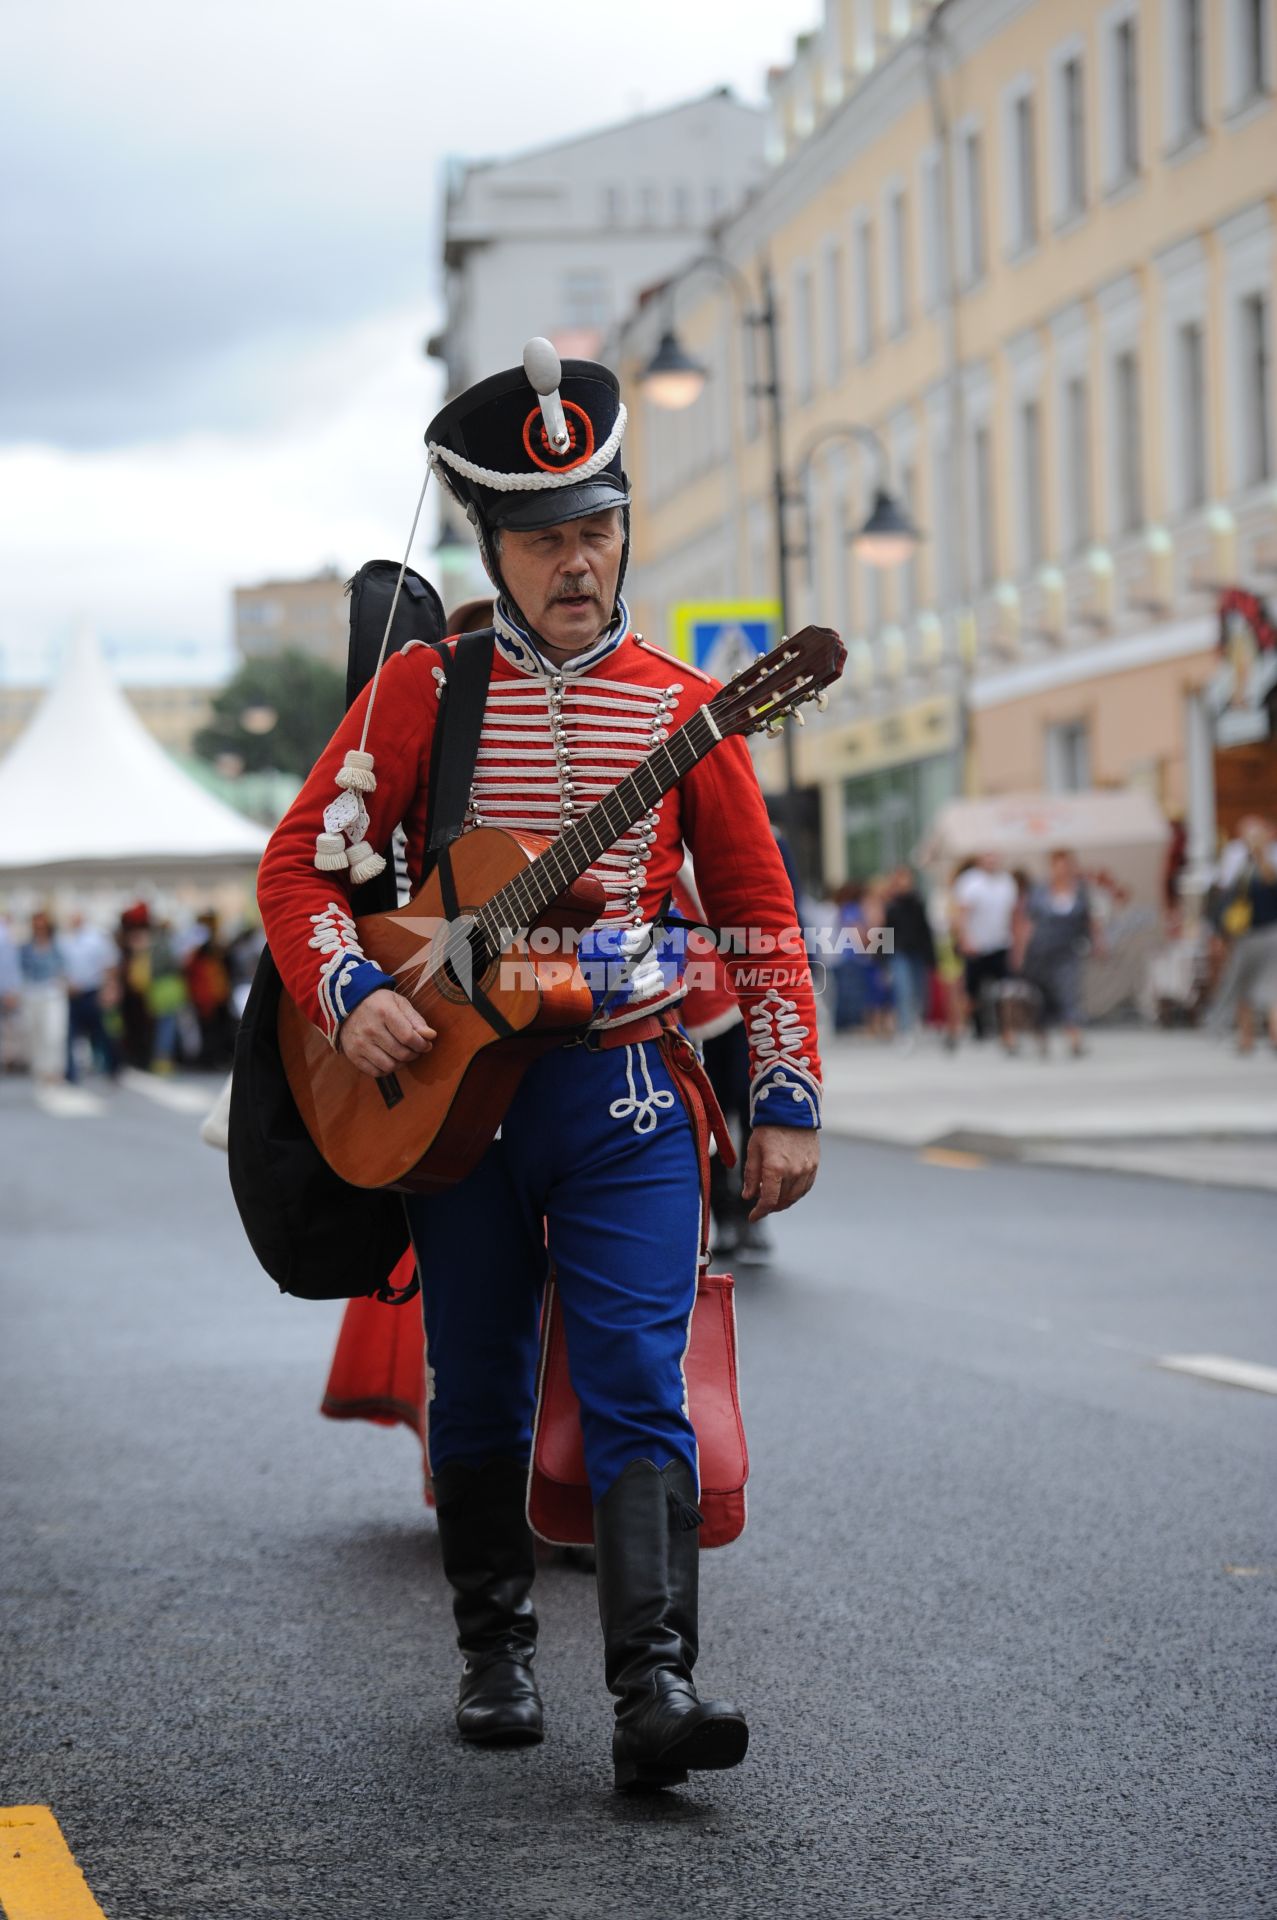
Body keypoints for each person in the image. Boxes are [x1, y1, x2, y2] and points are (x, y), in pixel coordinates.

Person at [256, 347, 822, 1792]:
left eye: (597, 528)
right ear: (490, 547)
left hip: (621, 1088)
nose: (577, 563)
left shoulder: (688, 706)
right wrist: (351, 991)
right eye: (542, 537)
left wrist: (788, 1095)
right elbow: (297, 874)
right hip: (458, 1105)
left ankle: (657, 1690)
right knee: (485, 1383)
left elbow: (757, 917)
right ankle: (495, 1648)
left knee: (640, 1370)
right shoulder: (418, 695)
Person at [1020, 850, 1098, 1057]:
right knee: (1042, 998)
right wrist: (1019, 951)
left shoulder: (1080, 891)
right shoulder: (1039, 891)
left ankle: (1074, 1039)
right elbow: (1026, 922)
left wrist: (1097, 943)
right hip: (1040, 951)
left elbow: (1089, 920)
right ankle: (1041, 1038)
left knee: (1069, 993)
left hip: (1068, 950)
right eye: (1059, 865)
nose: (1063, 870)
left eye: (1067, 865)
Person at [1210, 815, 1277, 1054]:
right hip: (1270, 933)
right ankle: (1272, 1035)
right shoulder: (1267, 864)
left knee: (1243, 986)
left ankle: (1246, 1038)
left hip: (1249, 935)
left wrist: (1220, 931)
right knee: (1272, 987)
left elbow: (1225, 898)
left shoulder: (1241, 865)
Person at [951, 850, 1017, 1039]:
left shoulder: (1006, 883)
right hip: (976, 945)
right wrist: (964, 939)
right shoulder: (970, 883)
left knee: (1005, 992)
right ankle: (961, 1028)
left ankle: (1007, 1032)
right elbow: (961, 914)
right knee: (971, 993)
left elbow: (1013, 915)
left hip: (1000, 943)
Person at [61, 911, 119, 1082]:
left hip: (93, 991)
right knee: (70, 1035)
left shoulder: (96, 938)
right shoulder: (65, 940)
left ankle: (112, 1068)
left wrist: (109, 989)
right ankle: (71, 1073)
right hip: (72, 994)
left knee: (102, 1033)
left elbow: (110, 965)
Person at [884, 865, 936, 1049]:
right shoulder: (891, 905)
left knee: (919, 991)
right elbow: (886, 932)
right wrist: (883, 959)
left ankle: (916, 1023)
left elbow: (925, 930)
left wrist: (931, 956)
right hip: (899, 952)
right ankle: (905, 1030)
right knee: (903, 990)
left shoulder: (918, 902)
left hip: (917, 952)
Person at [19, 910, 69, 1086]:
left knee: (54, 1032)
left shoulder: (57, 945)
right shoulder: (26, 947)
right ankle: (40, 1069)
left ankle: (55, 1069)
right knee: (36, 1032)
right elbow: (22, 970)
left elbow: (65, 966)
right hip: (33, 992)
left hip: (52, 993)